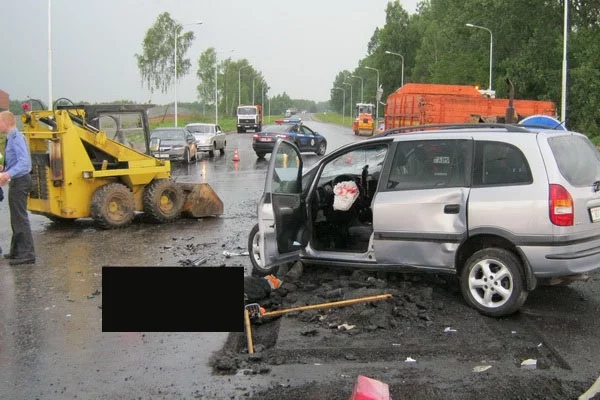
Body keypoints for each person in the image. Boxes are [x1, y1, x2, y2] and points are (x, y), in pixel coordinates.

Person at [0, 111, 36, 265]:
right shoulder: (10, 138)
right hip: (17, 180)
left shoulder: (17, 138)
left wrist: (7, 174)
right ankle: (16, 251)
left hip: (21, 180)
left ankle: (27, 254)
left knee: (20, 218)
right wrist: (4, 169)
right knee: (15, 217)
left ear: (6, 122)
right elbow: (14, 161)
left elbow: (24, 163)